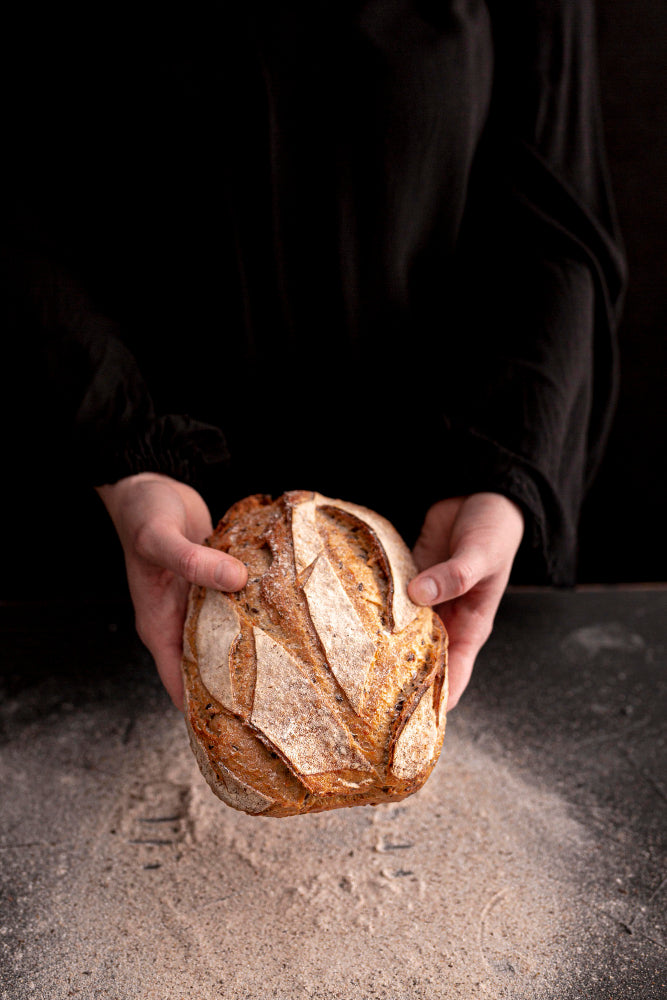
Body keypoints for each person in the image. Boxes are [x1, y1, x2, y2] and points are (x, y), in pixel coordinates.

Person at [4, 2, 626, 711]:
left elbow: (553, 220)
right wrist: (124, 451)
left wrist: (504, 473)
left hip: (424, 543)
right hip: (133, 527)